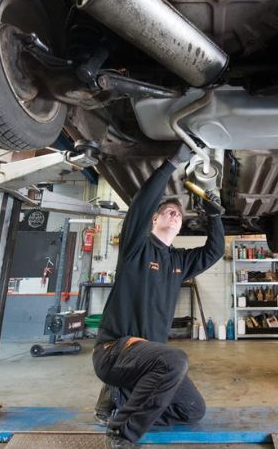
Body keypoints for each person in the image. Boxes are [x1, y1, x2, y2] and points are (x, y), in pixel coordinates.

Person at [92, 143, 225, 448]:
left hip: (149, 362)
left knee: (193, 410)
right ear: (154, 220)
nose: (174, 214)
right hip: (115, 351)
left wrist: (215, 217)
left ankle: (121, 401)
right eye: (167, 211)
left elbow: (214, 251)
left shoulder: (179, 262)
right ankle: (122, 433)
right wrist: (171, 164)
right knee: (175, 360)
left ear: (180, 227)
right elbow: (140, 205)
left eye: (178, 214)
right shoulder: (136, 248)